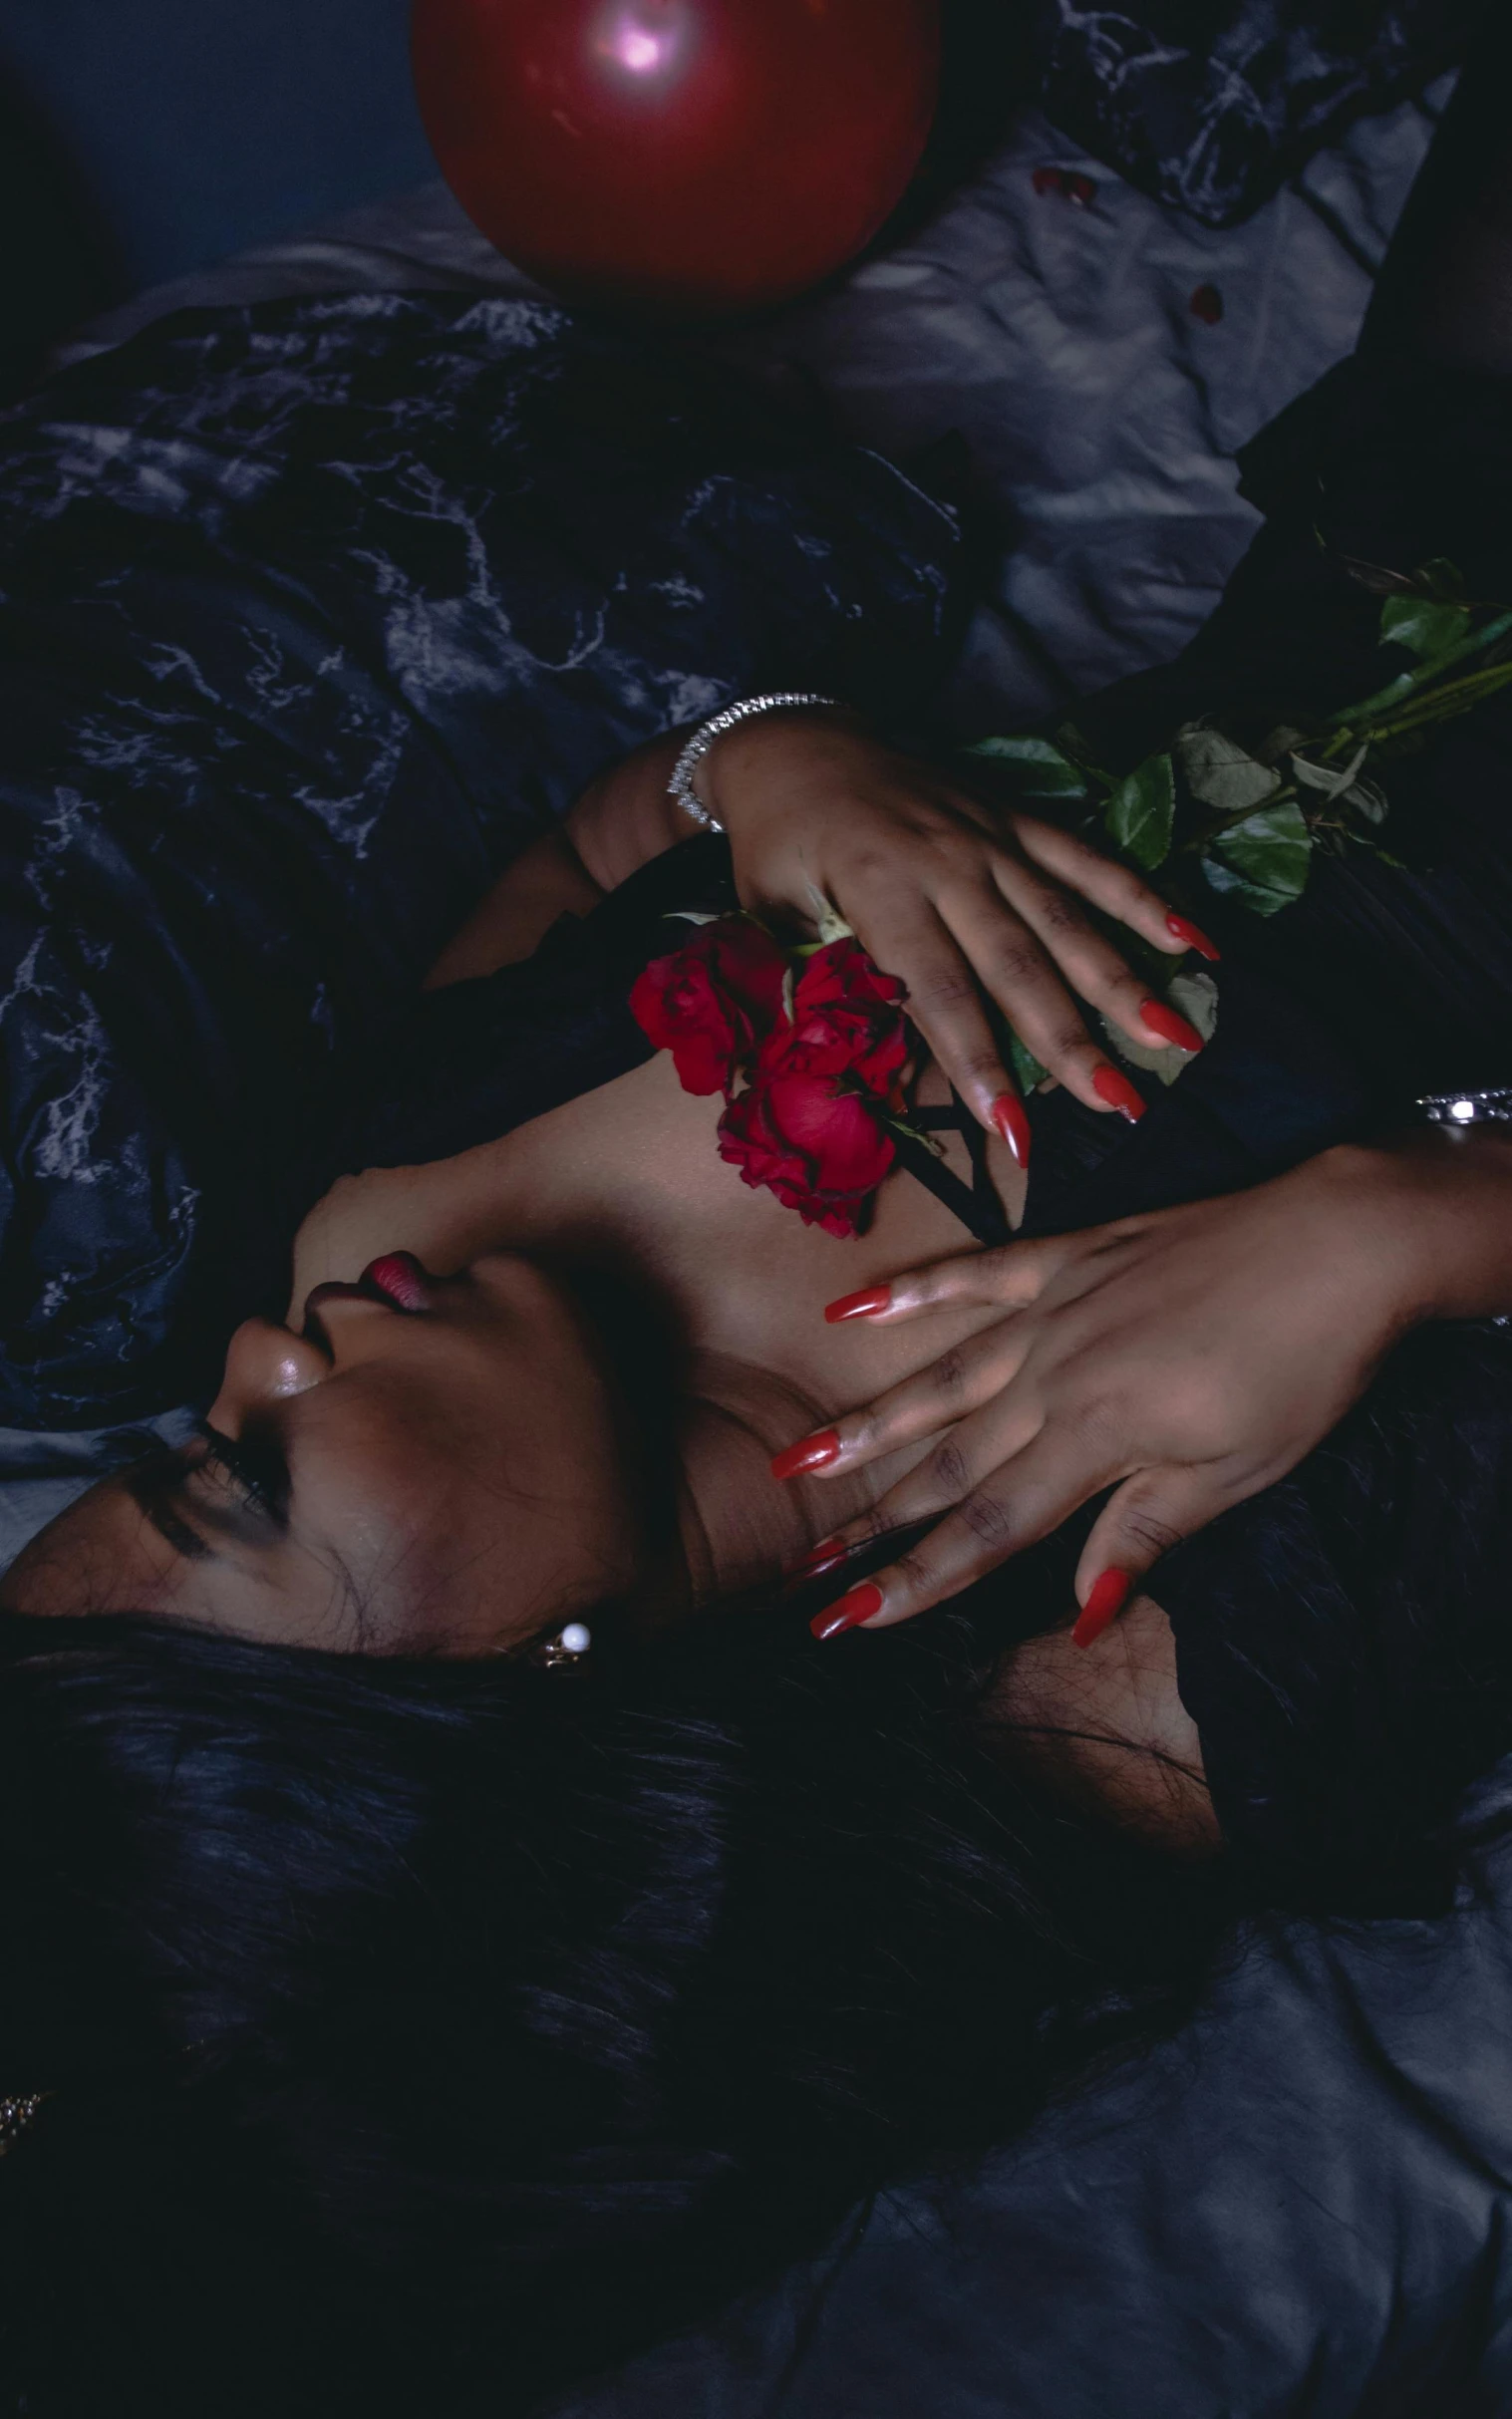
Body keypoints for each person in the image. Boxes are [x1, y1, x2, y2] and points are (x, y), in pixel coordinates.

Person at [6, 19, 1512, 2417]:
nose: (260, 1355)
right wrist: (1406, 1227)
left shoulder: (374, 1223)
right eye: (252, 1469)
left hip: (1390, 548)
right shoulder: (1116, 1644)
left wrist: (778, 760)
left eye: (194, 1415)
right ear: (500, 1727)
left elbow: (585, 853)